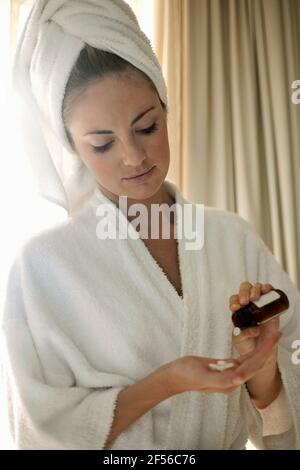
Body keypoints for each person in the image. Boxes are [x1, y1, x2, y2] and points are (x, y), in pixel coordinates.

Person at [1, 0, 300, 450]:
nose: (134, 158)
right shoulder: (42, 267)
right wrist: (166, 382)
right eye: (102, 144)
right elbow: (43, 429)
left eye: (147, 127)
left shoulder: (231, 237)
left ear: (165, 105)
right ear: (72, 147)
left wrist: (261, 369)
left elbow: (283, 418)